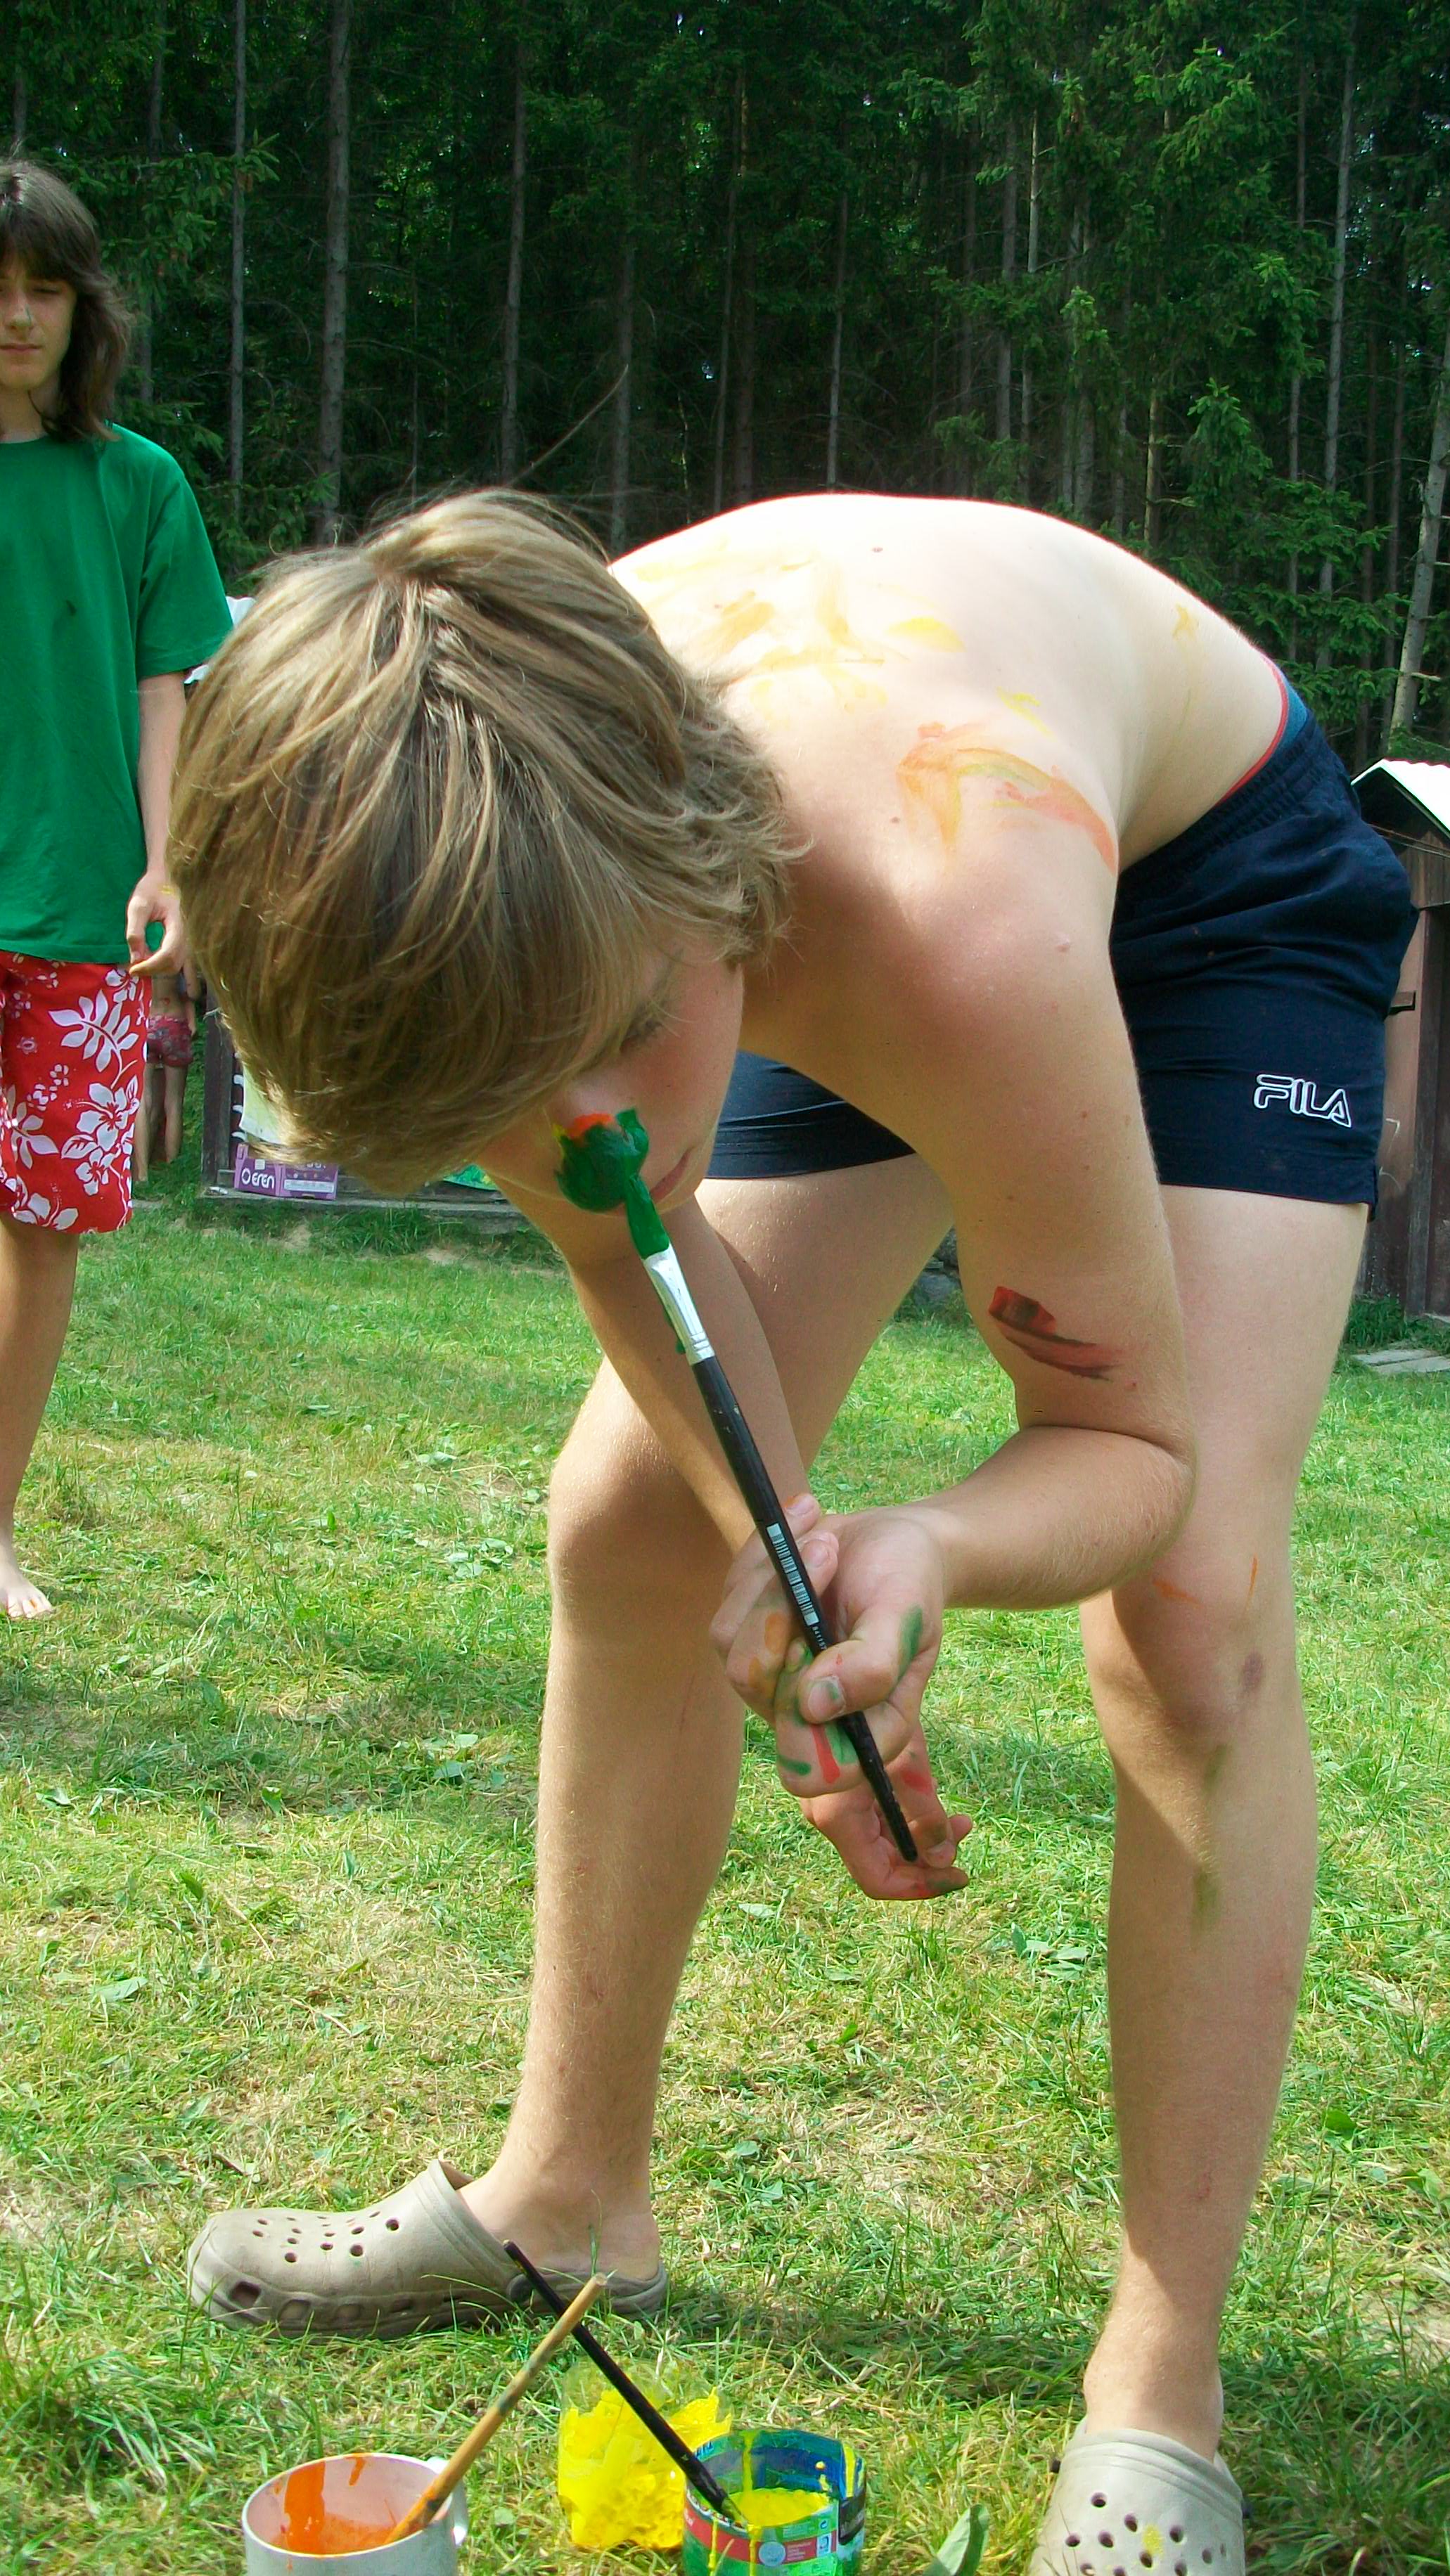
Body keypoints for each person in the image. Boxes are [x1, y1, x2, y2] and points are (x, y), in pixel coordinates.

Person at [174, 490, 1413, 2571]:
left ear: (677, 879)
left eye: (604, 1058)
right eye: (500, 1115)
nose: (581, 1140)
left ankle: (1159, 2385)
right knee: (629, 1520)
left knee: (1190, 1612)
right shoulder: (505, 921)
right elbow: (632, 1230)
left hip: (1174, 880)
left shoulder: (946, 919)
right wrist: (784, 1545)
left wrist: (925, 1550)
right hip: (777, 912)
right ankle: (567, 2197)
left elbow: (1129, 1445)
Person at [0, 159, 232, 1616]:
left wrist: (168, 864)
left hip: (82, 914)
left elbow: (166, 693)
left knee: (43, 1234)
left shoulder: (139, 484)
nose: (18, 316)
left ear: (85, 308)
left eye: (45, 288)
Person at [132, 966, 197, 1183]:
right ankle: (172, 1167)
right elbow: (193, 991)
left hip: (147, 1021)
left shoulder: (144, 950)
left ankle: (142, 1172)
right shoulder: (179, 949)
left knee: (143, 1100)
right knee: (174, 1102)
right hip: (174, 1023)